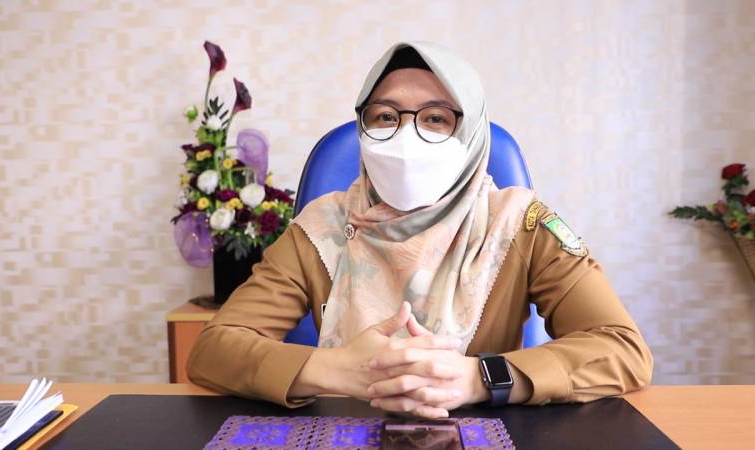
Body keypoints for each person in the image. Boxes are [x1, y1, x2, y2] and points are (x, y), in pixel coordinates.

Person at [186, 41, 653, 419]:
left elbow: (622, 349)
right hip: (347, 430)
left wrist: (478, 379)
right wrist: (334, 370)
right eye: (386, 117)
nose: (407, 137)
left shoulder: (519, 224)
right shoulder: (321, 227)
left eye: (435, 118)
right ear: (362, 128)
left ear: (471, 133)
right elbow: (214, 350)